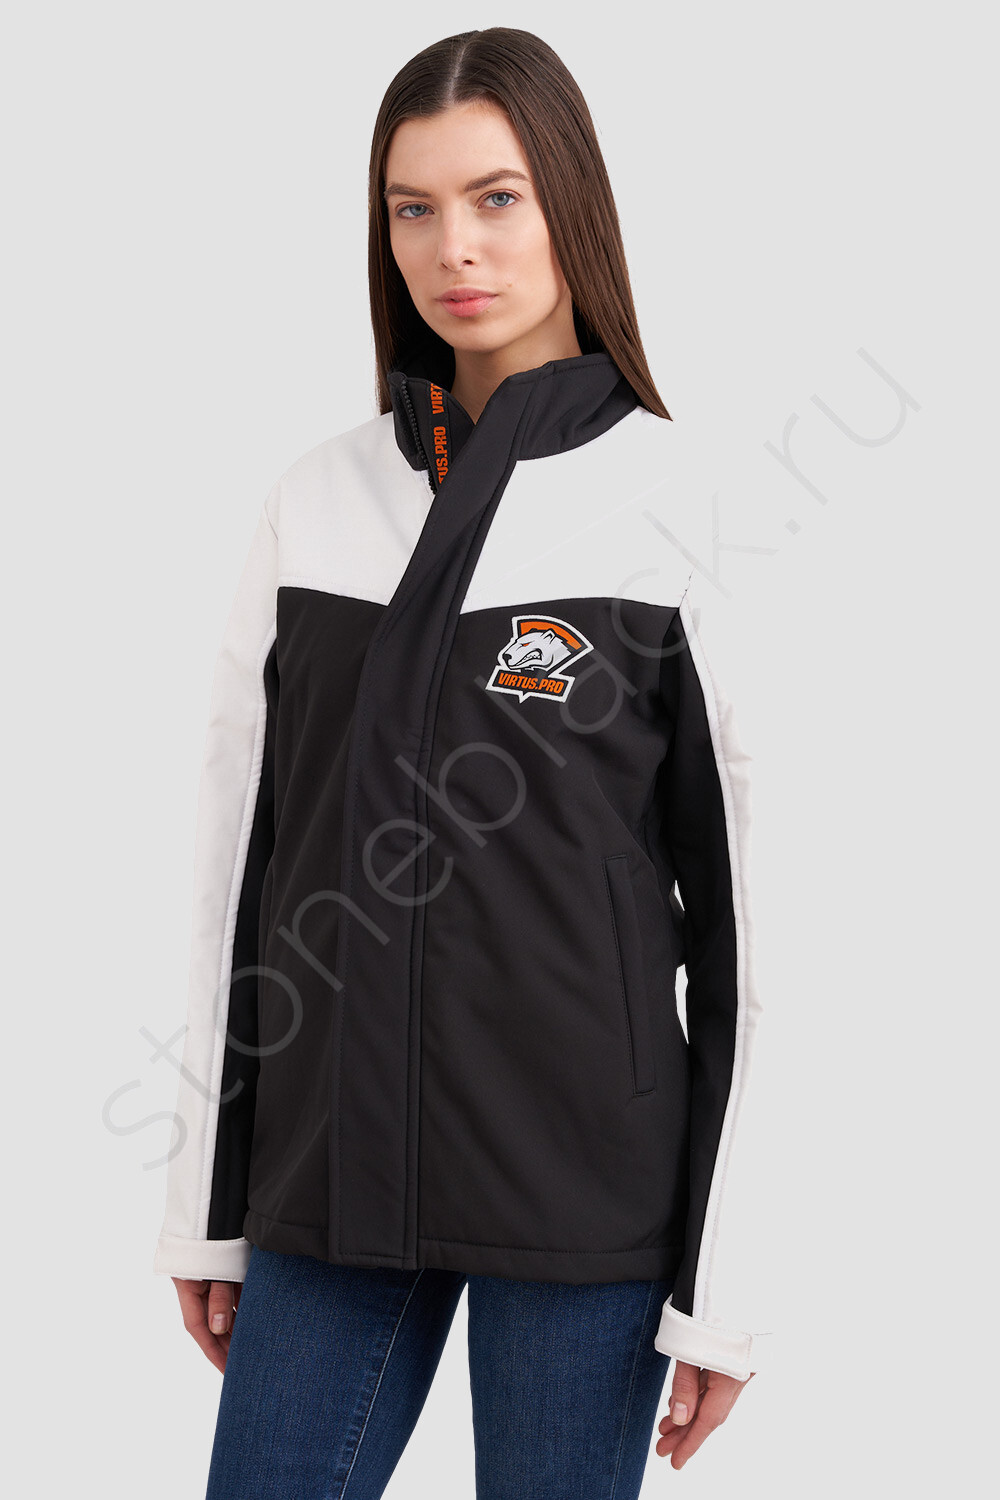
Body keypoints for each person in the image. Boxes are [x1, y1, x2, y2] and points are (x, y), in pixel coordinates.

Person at [152, 26, 772, 1498]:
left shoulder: (683, 508)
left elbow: (763, 931)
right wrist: (205, 1206)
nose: (456, 248)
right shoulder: (318, 500)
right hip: (330, 1180)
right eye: (413, 208)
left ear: (569, 205)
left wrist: (731, 1286)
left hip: (583, 1201)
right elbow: (241, 873)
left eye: (497, 198)